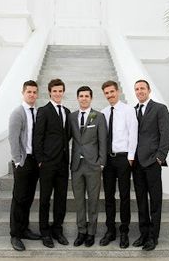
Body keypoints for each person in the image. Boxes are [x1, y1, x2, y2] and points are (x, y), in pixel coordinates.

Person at [132, 79, 169, 251]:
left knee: (155, 201)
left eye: (142, 88)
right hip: (137, 164)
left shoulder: (160, 108)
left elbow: (166, 134)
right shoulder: (132, 111)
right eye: (137, 89)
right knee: (141, 201)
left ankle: (153, 237)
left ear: (148, 90)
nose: (139, 91)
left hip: (152, 162)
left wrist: (160, 157)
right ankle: (143, 234)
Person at [99, 80, 138, 249]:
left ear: (118, 91)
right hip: (107, 160)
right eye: (106, 93)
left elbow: (133, 133)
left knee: (123, 196)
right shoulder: (103, 112)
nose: (110, 95)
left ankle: (124, 232)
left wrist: (130, 156)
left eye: (112, 92)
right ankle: (110, 231)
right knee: (108, 197)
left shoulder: (129, 110)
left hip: (123, 159)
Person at [34, 78, 71, 248]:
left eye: (60, 91)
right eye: (54, 91)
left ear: (63, 92)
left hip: (63, 163)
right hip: (47, 163)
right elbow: (38, 136)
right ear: (50, 92)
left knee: (61, 198)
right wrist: (40, 159)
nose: (57, 94)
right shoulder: (43, 110)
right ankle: (45, 232)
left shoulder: (67, 111)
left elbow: (67, 135)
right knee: (45, 199)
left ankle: (58, 229)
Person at [70, 86, 107, 247]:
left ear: (91, 98)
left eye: (86, 96)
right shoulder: (71, 117)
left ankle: (91, 233)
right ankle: (81, 232)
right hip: (77, 165)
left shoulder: (98, 116)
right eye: (81, 96)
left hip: (93, 165)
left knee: (93, 200)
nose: (84, 98)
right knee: (79, 201)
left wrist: (101, 162)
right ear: (77, 98)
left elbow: (103, 142)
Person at [9, 80, 40, 251]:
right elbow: (13, 138)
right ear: (23, 93)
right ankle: (15, 235)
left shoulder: (36, 112)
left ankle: (24, 229)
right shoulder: (17, 113)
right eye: (29, 92)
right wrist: (18, 160)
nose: (32, 95)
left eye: (35, 92)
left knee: (28, 198)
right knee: (19, 198)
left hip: (34, 160)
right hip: (23, 161)